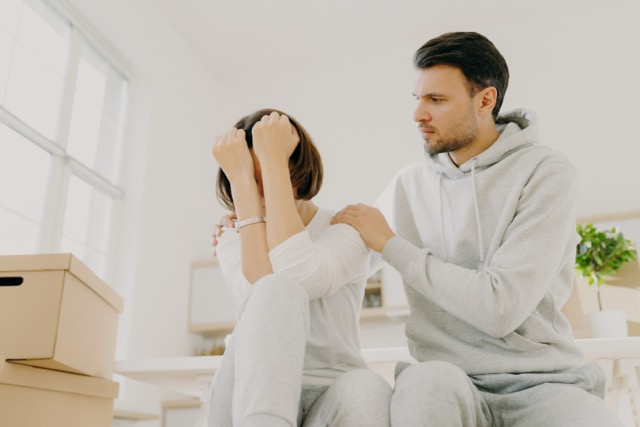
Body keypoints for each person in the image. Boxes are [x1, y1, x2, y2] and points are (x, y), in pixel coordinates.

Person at [331, 32, 623, 427]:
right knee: (424, 382)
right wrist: (250, 220)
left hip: (542, 386)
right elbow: (329, 261)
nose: (418, 114)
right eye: (417, 98)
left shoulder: (545, 173)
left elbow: (500, 308)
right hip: (445, 382)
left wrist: (391, 246)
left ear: (485, 100)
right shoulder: (407, 185)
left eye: (436, 100)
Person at [206, 108, 391, 427]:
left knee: (370, 387)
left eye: (269, 166)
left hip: (331, 393)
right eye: (249, 173)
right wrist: (241, 186)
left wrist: (273, 162)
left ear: (296, 166)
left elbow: (294, 274)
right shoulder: (230, 235)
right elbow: (266, 293)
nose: (259, 182)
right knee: (273, 290)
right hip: (247, 391)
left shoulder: (345, 228)